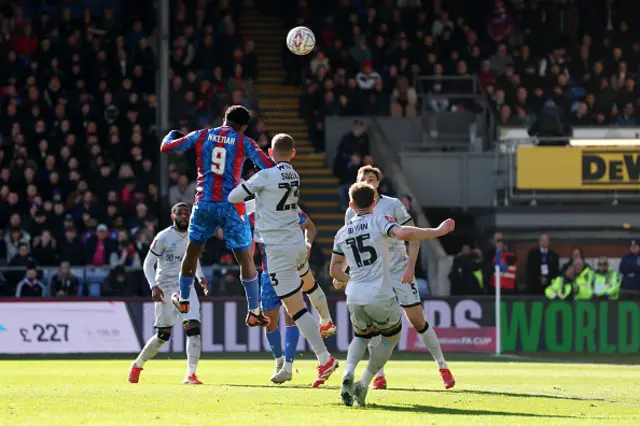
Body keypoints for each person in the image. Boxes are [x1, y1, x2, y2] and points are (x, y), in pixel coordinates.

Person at [331, 182, 455, 407]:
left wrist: (349, 279)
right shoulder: (381, 219)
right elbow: (406, 232)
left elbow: (334, 270)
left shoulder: (342, 231)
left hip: (355, 295)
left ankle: (348, 371)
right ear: (373, 202)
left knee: (361, 335)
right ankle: (364, 382)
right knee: (391, 337)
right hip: (379, 292)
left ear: (350, 204)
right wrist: (437, 231)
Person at [228, 133, 338, 388]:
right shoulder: (294, 175)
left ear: (269, 152)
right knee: (308, 284)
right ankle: (326, 320)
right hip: (297, 243)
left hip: (277, 249)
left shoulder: (265, 176)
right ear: (294, 154)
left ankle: (325, 358)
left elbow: (234, 196)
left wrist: (246, 185)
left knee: (295, 309)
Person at [160, 105, 276, 327]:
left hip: (203, 203)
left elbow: (167, 147)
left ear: (225, 119)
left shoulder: (203, 134)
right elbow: (267, 167)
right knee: (245, 258)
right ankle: (253, 310)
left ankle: (184, 300)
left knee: (193, 251)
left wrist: (171, 134)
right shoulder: (245, 142)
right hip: (231, 204)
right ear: (242, 126)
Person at [246, 199, 336, 384]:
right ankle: (280, 360)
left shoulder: (286, 205)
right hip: (270, 271)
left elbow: (309, 226)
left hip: (288, 265)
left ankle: (288, 364)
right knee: (271, 322)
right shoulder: (251, 212)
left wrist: (308, 246)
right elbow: (249, 245)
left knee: (293, 314)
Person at [129, 202, 209, 385]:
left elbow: (192, 260)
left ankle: (191, 374)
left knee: (193, 329)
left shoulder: (194, 236)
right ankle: (137, 364)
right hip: (165, 287)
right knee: (163, 335)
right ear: (173, 217)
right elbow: (147, 263)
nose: (184, 216)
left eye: (186, 213)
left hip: (186, 285)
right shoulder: (163, 237)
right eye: (180, 213)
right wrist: (153, 286)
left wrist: (201, 278)